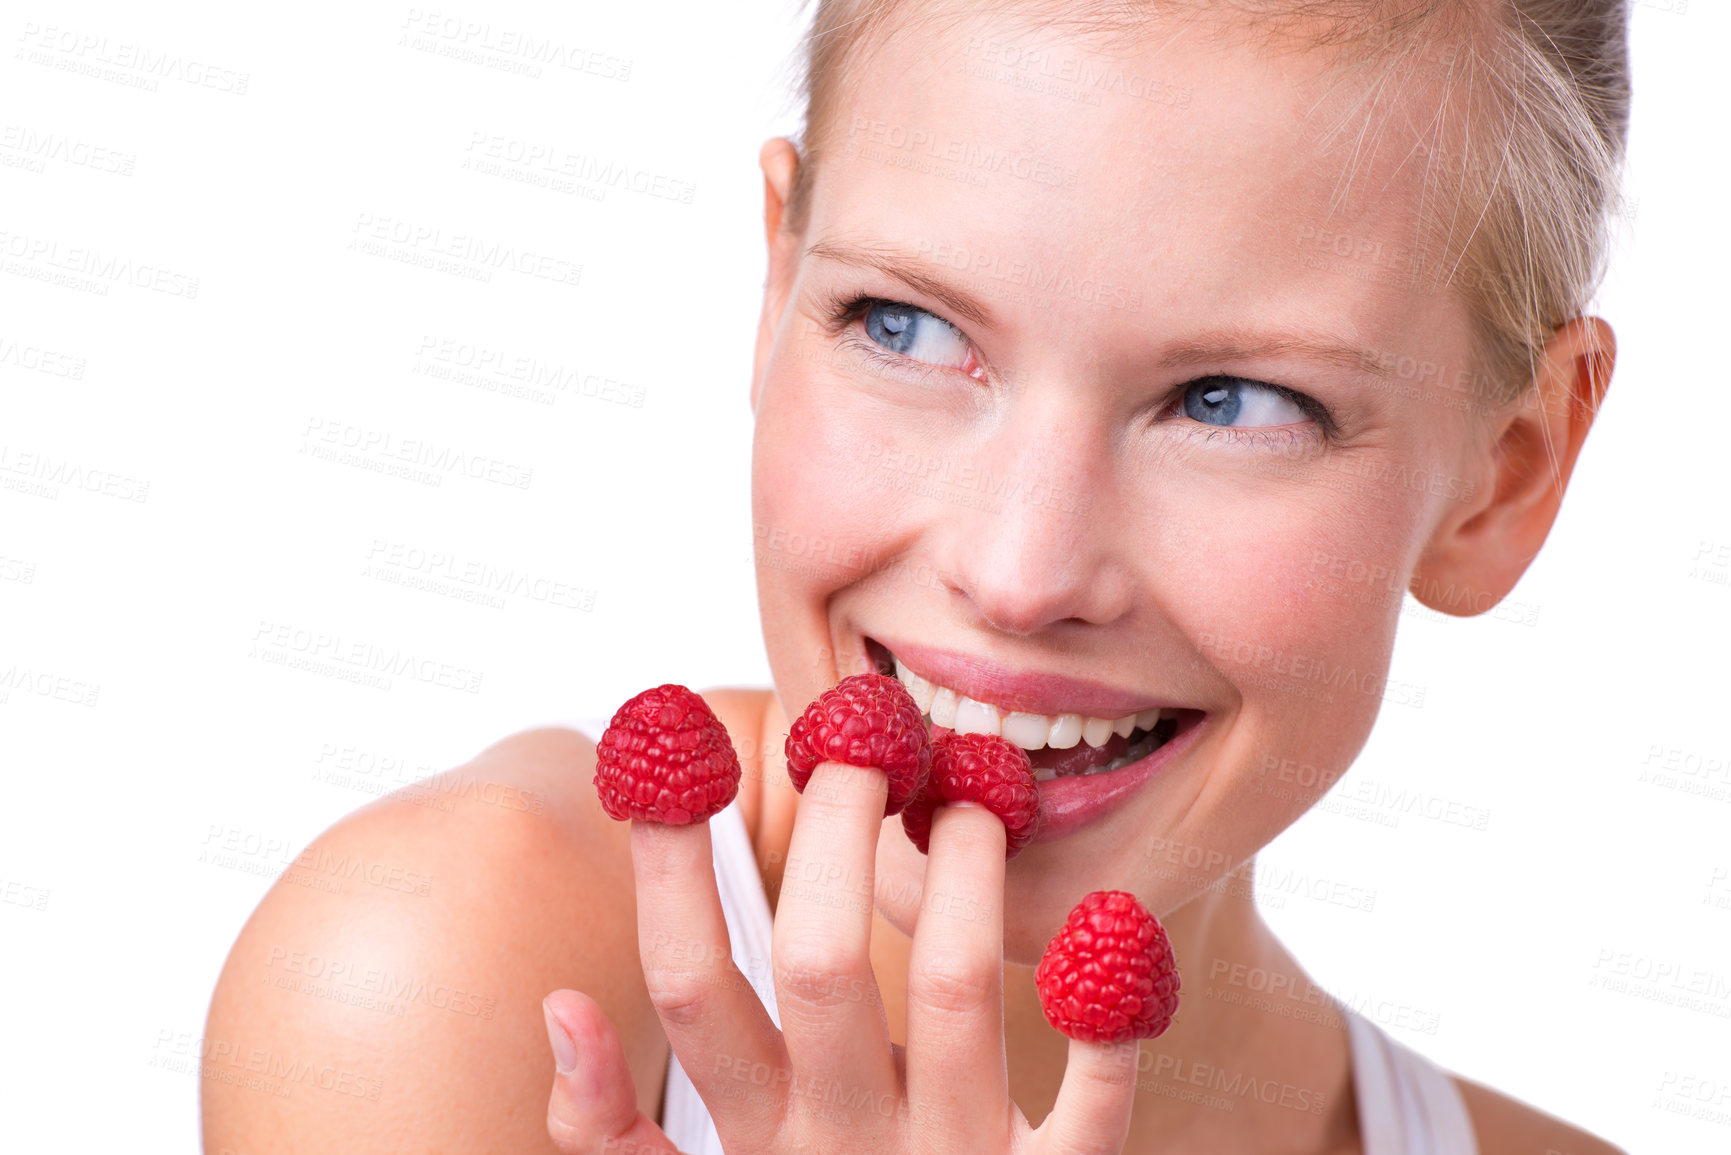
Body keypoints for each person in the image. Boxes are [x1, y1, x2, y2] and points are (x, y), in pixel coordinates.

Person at [203, 1, 1632, 1151]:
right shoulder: (443, 977)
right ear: (777, 289)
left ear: (1506, 477)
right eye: (901, 324)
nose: (1018, 574)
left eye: (1232, 403)